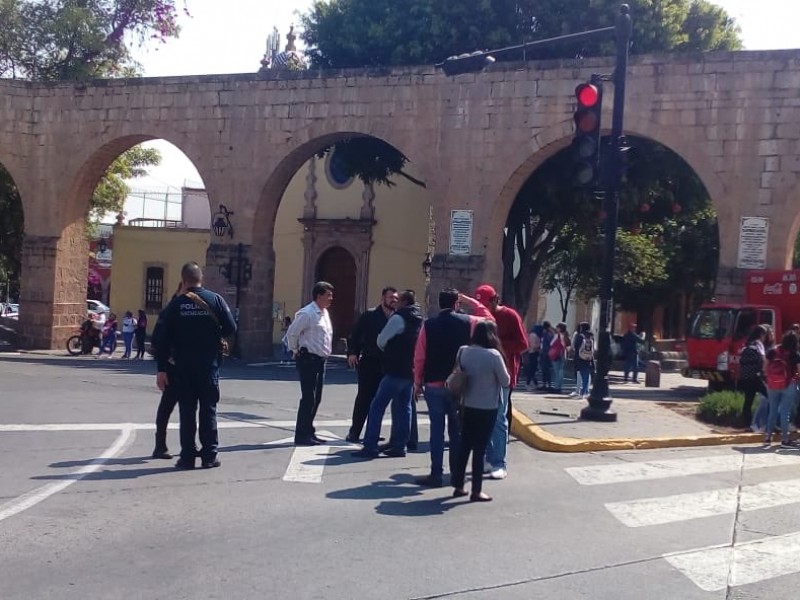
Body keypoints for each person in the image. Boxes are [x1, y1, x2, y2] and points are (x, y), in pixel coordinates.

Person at [153, 262, 237, 469]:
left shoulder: (176, 304)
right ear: (202, 279)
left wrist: (162, 368)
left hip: (182, 367)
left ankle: (187, 456)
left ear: (183, 281)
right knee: (208, 410)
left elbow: (161, 339)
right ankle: (209, 456)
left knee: (187, 411)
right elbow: (230, 327)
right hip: (208, 365)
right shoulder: (215, 299)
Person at [460, 284, 527, 480]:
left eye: (485, 303)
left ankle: (499, 462)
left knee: (498, 418)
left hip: (504, 372)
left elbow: (523, 344)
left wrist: (497, 347)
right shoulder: (479, 318)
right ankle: (487, 458)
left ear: (495, 300)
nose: (483, 308)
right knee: (483, 418)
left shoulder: (510, 316)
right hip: (482, 374)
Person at [412, 288, 474, 487]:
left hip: (433, 383)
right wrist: (474, 303)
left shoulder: (428, 325)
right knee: (456, 432)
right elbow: (489, 319)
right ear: (457, 303)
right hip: (458, 385)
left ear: (439, 304)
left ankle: (436, 473)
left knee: (436, 431)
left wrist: (417, 382)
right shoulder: (469, 323)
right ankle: (457, 474)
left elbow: (419, 356)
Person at [353, 290, 423, 459]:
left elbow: (381, 340)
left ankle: (370, 446)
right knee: (404, 408)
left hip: (394, 368)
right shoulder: (419, 320)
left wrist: (387, 349)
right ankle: (400, 446)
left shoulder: (398, 318)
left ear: (404, 302)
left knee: (377, 407)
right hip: (409, 369)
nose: (395, 302)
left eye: (398, 300)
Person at [451, 320, 510, 503]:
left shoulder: (464, 351)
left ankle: (458, 485)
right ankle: (476, 490)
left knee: (464, 446)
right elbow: (506, 381)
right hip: (487, 408)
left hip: (467, 405)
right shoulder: (493, 355)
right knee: (480, 449)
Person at [345, 286, 398, 443]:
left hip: (388, 365)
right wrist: (352, 353)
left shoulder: (397, 317)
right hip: (369, 362)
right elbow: (354, 335)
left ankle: (372, 432)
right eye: (390, 298)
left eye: (395, 298)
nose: (393, 301)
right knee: (364, 398)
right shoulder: (369, 316)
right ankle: (354, 432)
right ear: (382, 299)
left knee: (379, 400)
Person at [285, 281, 334, 446]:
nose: (331, 298)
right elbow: (292, 333)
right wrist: (295, 350)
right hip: (308, 359)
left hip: (321, 360)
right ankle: (301, 435)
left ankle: (309, 431)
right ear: (319, 296)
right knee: (308, 398)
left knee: (316, 398)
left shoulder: (324, 312)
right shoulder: (307, 313)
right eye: (328, 295)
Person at [149, 283, 186, 459]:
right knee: (167, 407)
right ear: (180, 288)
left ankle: (186, 447)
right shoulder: (171, 310)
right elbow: (158, 341)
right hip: (173, 367)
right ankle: (160, 445)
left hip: (185, 366)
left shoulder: (186, 309)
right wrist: (162, 367)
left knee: (185, 408)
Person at [763, 330, 800, 449]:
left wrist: (768, 378)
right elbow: (799, 371)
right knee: (785, 412)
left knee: (772, 410)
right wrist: (795, 379)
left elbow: (765, 366)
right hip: (788, 384)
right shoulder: (795, 354)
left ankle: (767, 438)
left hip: (772, 384)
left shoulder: (773, 350)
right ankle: (785, 440)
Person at [737, 325, 767, 427]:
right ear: (761, 334)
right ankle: (768, 421)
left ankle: (747, 423)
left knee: (748, 400)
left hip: (746, 376)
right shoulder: (759, 343)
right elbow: (763, 359)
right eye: (764, 335)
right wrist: (764, 372)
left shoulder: (748, 343)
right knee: (771, 396)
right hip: (756, 376)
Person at [571, 322, 593, 399]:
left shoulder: (580, 336)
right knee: (586, 376)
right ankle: (585, 391)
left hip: (580, 358)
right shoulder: (590, 336)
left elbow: (576, 347)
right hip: (588, 358)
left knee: (581, 375)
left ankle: (581, 392)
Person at [550, 322, 568, 393]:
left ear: (560, 328)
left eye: (557, 327)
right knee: (561, 371)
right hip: (563, 354)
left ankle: (556, 387)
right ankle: (560, 386)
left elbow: (551, 344)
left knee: (556, 371)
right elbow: (568, 346)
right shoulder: (566, 336)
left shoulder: (557, 336)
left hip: (556, 355)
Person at [525, 324, 543, 389]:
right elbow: (533, 346)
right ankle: (529, 383)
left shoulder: (530, 335)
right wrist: (539, 348)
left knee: (532, 369)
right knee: (532, 369)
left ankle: (534, 383)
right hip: (534, 352)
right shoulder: (534, 336)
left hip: (531, 352)